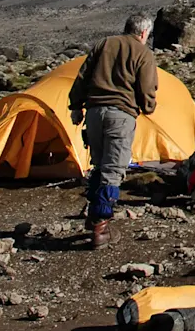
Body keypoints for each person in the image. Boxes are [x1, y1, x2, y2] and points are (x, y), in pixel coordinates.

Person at [68, 13, 157, 250]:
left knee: (99, 166)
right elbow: (147, 88)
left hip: (95, 114)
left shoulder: (104, 44)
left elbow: (83, 76)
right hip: (121, 115)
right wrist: (148, 106)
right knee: (113, 171)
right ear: (143, 33)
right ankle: (100, 228)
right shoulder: (143, 53)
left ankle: (93, 215)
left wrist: (76, 106)